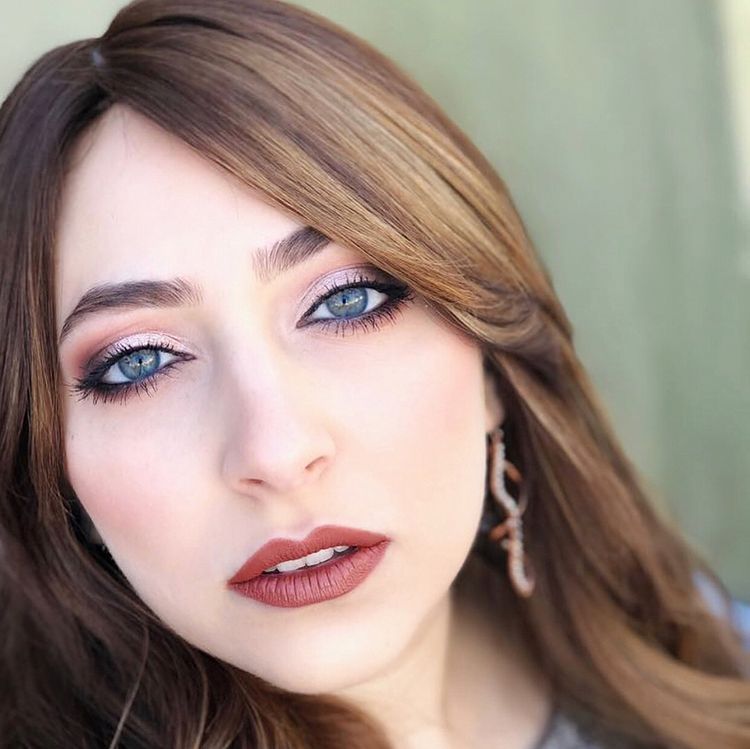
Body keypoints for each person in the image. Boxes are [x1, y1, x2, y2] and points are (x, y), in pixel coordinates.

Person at [0, 1, 748, 747]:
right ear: (56, 473)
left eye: (346, 301)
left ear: (492, 367)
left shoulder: (700, 651)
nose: (277, 451)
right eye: (138, 362)